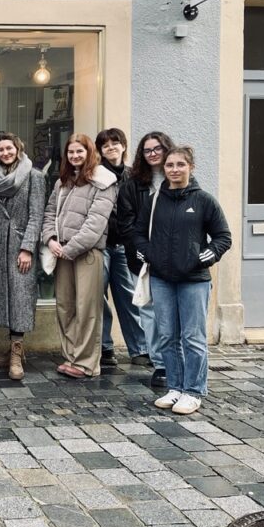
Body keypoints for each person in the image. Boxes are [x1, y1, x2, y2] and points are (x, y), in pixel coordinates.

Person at [135, 145, 231, 415]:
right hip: (162, 279)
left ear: (191, 167)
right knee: (167, 336)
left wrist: (205, 257)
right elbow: (138, 233)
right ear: (163, 169)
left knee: (193, 337)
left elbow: (223, 237)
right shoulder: (154, 201)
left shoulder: (204, 201)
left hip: (193, 280)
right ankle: (175, 387)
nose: (174, 170)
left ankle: (194, 391)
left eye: (180, 164)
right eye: (169, 165)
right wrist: (149, 253)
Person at [41, 133, 118, 379]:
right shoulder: (62, 182)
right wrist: (50, 239)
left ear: (89, 152)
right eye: (71, 152)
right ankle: (71, 356)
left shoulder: (104, 181)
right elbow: (49, 213)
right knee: (65, 306)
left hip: (87, 253)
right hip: (61, 251)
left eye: (79, 151)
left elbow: (95, 224)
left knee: (87, 309)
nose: (75, 156)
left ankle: (86, 363)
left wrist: (70, 248)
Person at [117, 131, 175, 387]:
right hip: (142, 259)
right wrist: (143, 250)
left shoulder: (179, 179)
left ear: (166, 149)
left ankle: (176, 360)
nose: (152, 154)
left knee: (172, 312)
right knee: (149, 311)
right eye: (147, 150)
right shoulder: (132, 185)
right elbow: (126, 224)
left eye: (157, 149)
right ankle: (160, 363)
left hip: (175, 258)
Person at [0, 133, 45, 381]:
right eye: (1, 149)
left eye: (9, 148)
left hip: (20, 247)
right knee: (6, 301)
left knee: (20, 298)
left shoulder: (34, 176)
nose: (5, 153)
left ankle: (16, 354)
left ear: (18, 149)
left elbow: (37, 215)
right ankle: (12, 347)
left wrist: (27, 248)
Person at [95, 128, 151, 370]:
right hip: (100, 245)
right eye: (105, 145)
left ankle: (139, 348)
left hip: (124, 246)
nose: (111, 148)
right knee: (98, 298)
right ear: (100, 150)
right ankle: (104, 347)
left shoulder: (134, 176)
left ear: (124, 146)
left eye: (115, 143)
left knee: (129, 296)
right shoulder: (95, 174)